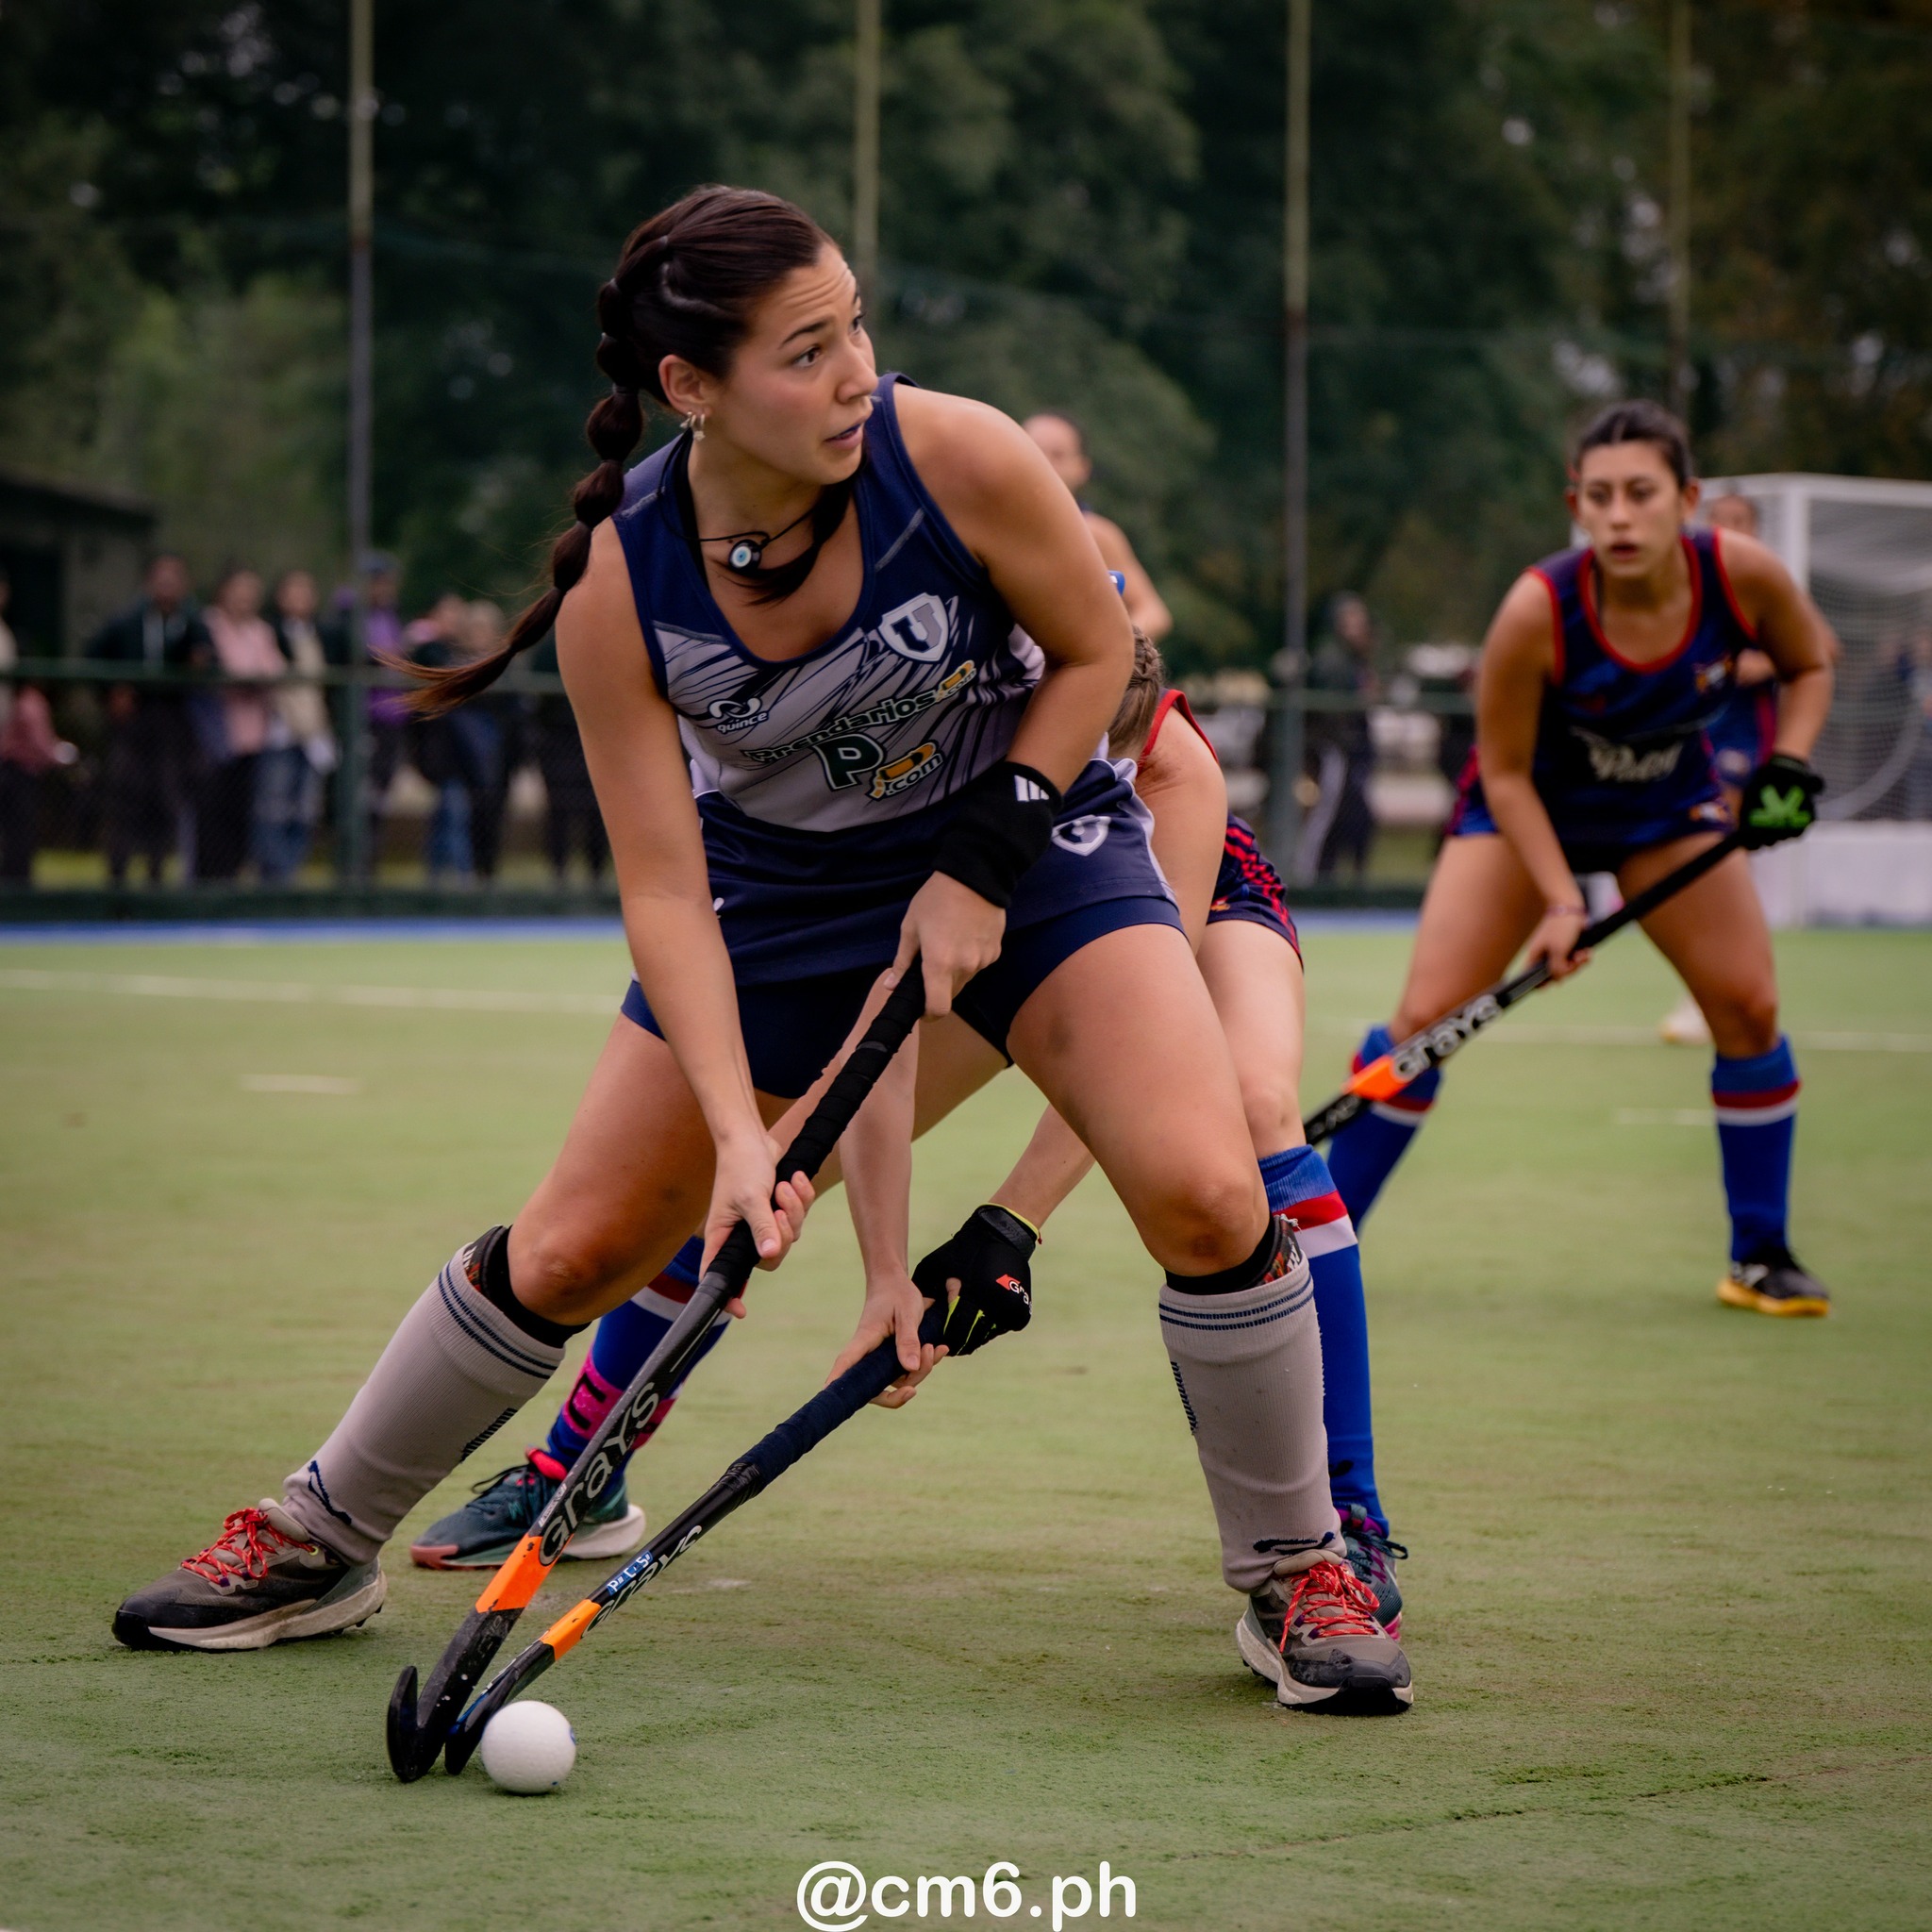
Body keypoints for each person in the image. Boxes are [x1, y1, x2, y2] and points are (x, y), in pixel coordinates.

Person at [112, 185, 1407, 1712]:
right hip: (777, 895)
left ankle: (1292, 1566)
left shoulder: (958, 456)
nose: (856, 369)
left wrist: (981, 856)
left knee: (1203, 1185)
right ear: (692, 386)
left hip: (1038, 851)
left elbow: (1101, 658)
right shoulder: (623, 583)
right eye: (806, 350)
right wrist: (739, 1133)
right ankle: (321, 1529)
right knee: (579, 1245)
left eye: (854, 324)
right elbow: (664, 891)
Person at [425, 635, 1412, 1634]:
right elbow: (877, 1029)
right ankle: (580, 1465)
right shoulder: (951, 749)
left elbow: (1135, 1058)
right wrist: (881, 1270)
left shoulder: (1170, 769)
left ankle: (1344, 1522)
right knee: (757, 1153)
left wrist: (1010, 1221)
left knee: (1248, 1115)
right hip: (985, 894)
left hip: (1171, 907)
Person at [1324, 401, 1834, 1316]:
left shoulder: (1739, 575)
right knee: (1425, 1014)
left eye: (1640, 493)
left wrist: (1787, 762)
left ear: (1684, 498)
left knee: (1747, 1006)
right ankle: (1317, 1236)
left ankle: (1758, 1252)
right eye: (1596, 496)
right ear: (1574, 504)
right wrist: (1561, 900)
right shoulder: (1535, 609)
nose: (1618, 516)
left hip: (1664, 809)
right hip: (1527, 813)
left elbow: (1810, 662)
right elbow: (1507, 775)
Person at [86, 554, 210, 885]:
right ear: (148, 582)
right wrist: (111, 690)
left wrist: (198, 661)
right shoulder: (127, 621)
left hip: (171, 722)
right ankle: (118, 880)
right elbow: (92, 655)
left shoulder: (191, 622)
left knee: (165, 800)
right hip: (133, 721)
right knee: (126, 798)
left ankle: (156, 877)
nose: (167, 585)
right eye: (161, 577)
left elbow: (208, 660)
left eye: (174, 578)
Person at [1022, 412, 1172, 642]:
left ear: (1082, 468)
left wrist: (1102, 654)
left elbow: (1153, 612)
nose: (1044, 461)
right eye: (1033, 448)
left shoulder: (1095, 534)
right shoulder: (979, 518)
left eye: (1058, 455)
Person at [196, 568, 286, 880]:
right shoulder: (207, 625)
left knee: (241, 812)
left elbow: (273, 671)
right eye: (239, 589)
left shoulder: (260, 631)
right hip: (213, 737)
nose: (245, 598)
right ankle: (204, 880)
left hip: (252, 736)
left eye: (251, 591)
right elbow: (219, 671)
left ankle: (231, 877)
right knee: (209, 813)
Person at [256, 570, 338, 883]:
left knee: (305, 810)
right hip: (280, 732)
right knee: (273, 807)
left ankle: (290, 872)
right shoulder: (269, 631)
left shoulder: (324, 634)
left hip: (314, 735)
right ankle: (272, 876)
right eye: (293, 591)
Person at [1295, 592, 1379, 883]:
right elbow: (1330, 715)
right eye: (1350, 620)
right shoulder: (1332, 661)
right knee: (1324, 812)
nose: (1358, 627)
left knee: (1351, 815)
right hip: (1333, 750)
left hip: (1349, 752)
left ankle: (1331, 875)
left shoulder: (1354, 660)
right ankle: (1307, 876)